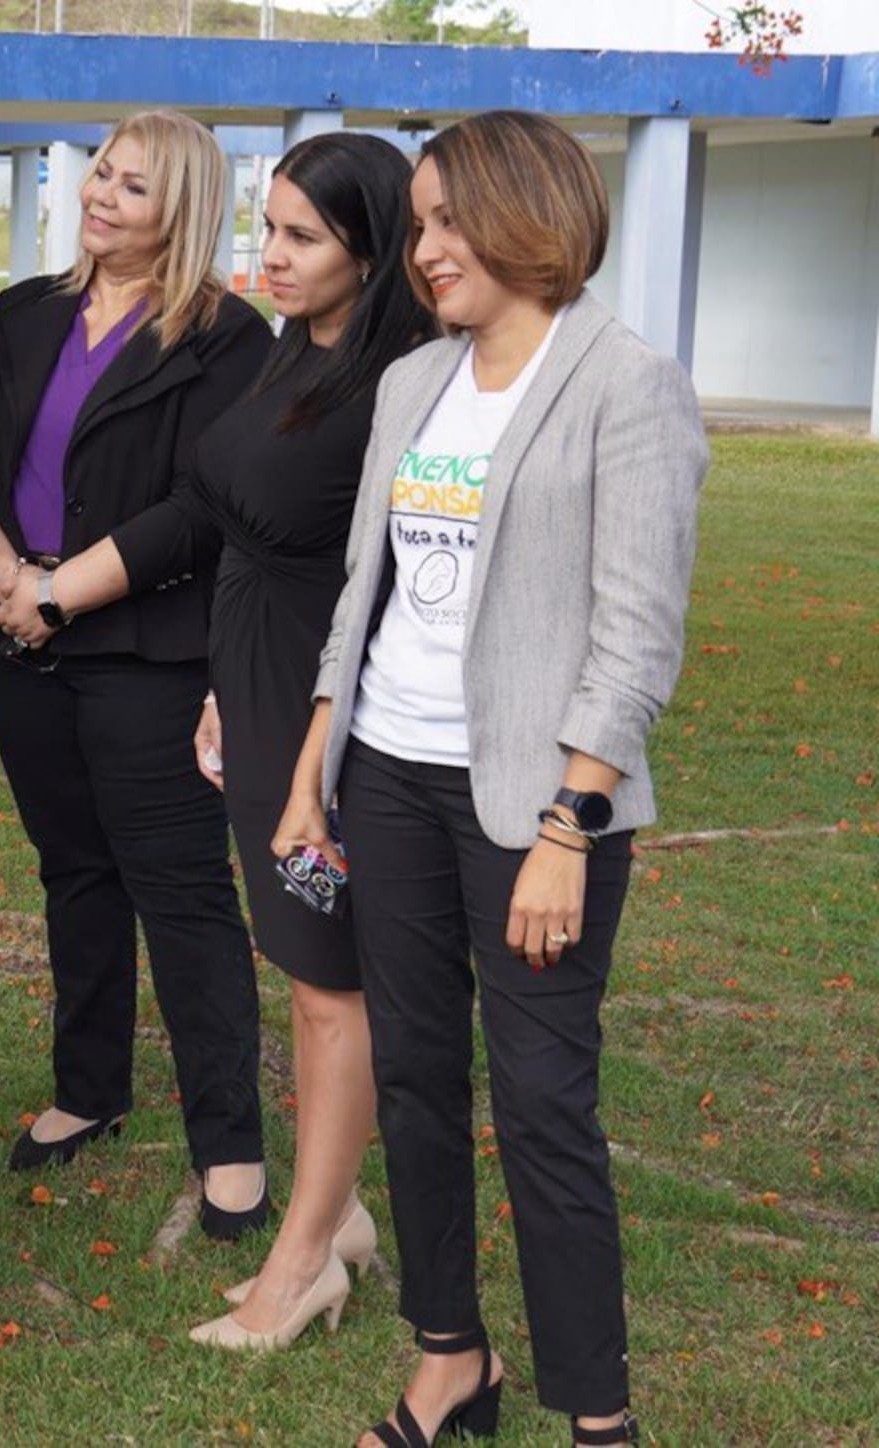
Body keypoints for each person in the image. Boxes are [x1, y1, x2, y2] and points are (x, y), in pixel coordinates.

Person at [275, 110, 706, 1448]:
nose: (426, 249)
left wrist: (570, 825)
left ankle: (598, 1415)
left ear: (533, 213)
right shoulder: (417, 384)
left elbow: (637, 630)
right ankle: (451, 1359)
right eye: (418, 225)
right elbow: (366, 593)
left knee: (542, 1108)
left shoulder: (624, 383)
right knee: (412, 1076)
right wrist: (312, 768)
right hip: (389, 778)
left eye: (450, 219)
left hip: (535, 807)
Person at [0, 110, 273, 1235]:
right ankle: (88, 1087)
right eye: (100, 173)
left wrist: (61, 591)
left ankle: (228, 1145)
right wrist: (5, 579)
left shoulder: (227, 340)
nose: (101, 197)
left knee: (180, 893)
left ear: (178, 212)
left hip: (145, 645)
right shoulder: (21, 314)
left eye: (132, 188)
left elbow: (204, 505)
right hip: (17, 630)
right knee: (73, 871)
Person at [173, 133, 434, 1351]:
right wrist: (229, 687)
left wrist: (308, 754)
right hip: (259, 684)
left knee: (333, 985)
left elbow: (377, 583)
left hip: (333, 717)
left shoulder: (404, 383)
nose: (265, 256)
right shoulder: (294, 348)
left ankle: (303, 1258)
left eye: (299, 237)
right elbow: (246, 529)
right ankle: (341, 1216)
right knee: (302, 964)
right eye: (265, 227)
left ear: (369, 253)